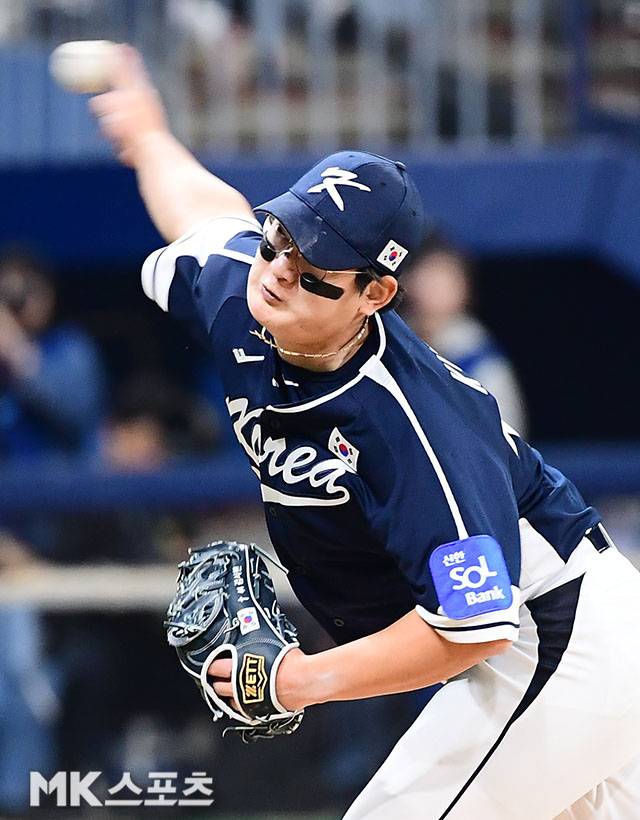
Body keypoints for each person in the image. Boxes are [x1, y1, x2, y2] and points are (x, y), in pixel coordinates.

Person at [89, 46, 640, 819]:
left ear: (374, 293)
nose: (280, 268)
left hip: (556, 634)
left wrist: (298, 678)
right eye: (281, 235)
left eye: (316, 265)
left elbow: (475, 627)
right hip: (559, 648)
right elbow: (202, 212)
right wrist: (148, 136)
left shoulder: (406, 423)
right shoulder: (244, 287)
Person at [403, 235, 528, 435]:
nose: (433, 287)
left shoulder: (476, 353)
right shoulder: (390, 338)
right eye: (427, 275)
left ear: (464, 286)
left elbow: (507, 434)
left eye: (444, 277)